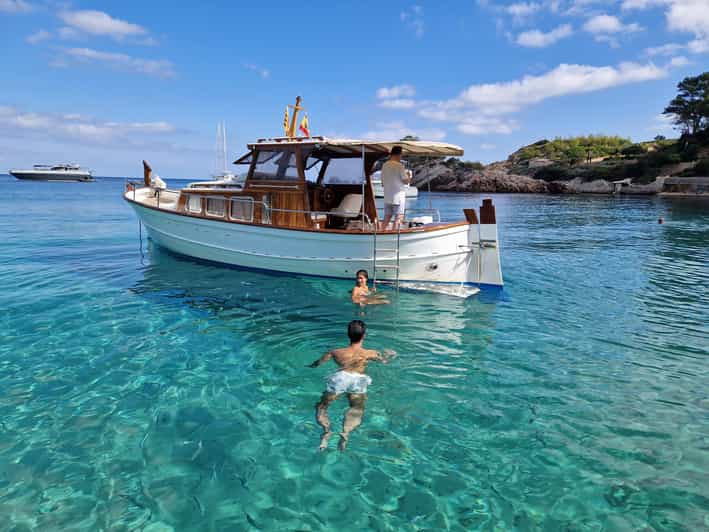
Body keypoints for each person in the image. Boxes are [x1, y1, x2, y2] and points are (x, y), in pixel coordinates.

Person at [308, 320, 395, 451]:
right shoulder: (370, 353)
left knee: (322, 406)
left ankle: (326, 431)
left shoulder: (335, 352)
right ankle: (345, 433)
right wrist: (390, 355)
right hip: (359, 380)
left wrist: (311, 365)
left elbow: (317, 364)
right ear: (364, 335)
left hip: (341, 378)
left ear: (348, 334)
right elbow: (384, 361)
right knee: (356, 408)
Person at [379, 146, 411, 231]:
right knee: (399, 217)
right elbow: (406, 181)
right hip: (398, 197)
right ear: (399, 154)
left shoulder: (384, 165)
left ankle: (381, 235)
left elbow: (382, 183)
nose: (401, 157)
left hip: (387, 197)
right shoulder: (400, 166)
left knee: (387, 217)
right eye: (401, 155)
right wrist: (409, 176)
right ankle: (394, 237)